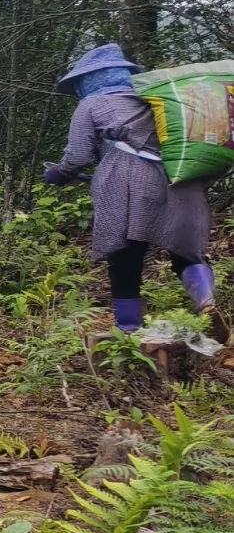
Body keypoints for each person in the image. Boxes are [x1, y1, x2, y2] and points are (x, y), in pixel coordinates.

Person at [42, 43, 216, 334]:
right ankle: (206, 301)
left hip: (126, 183)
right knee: (186, 254)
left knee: (124, 257)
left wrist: (59, 173)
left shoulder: (91, 104)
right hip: (180, 180)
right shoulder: (157, 99)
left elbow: (79, 156)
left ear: (88, 79)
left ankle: (129, 331)